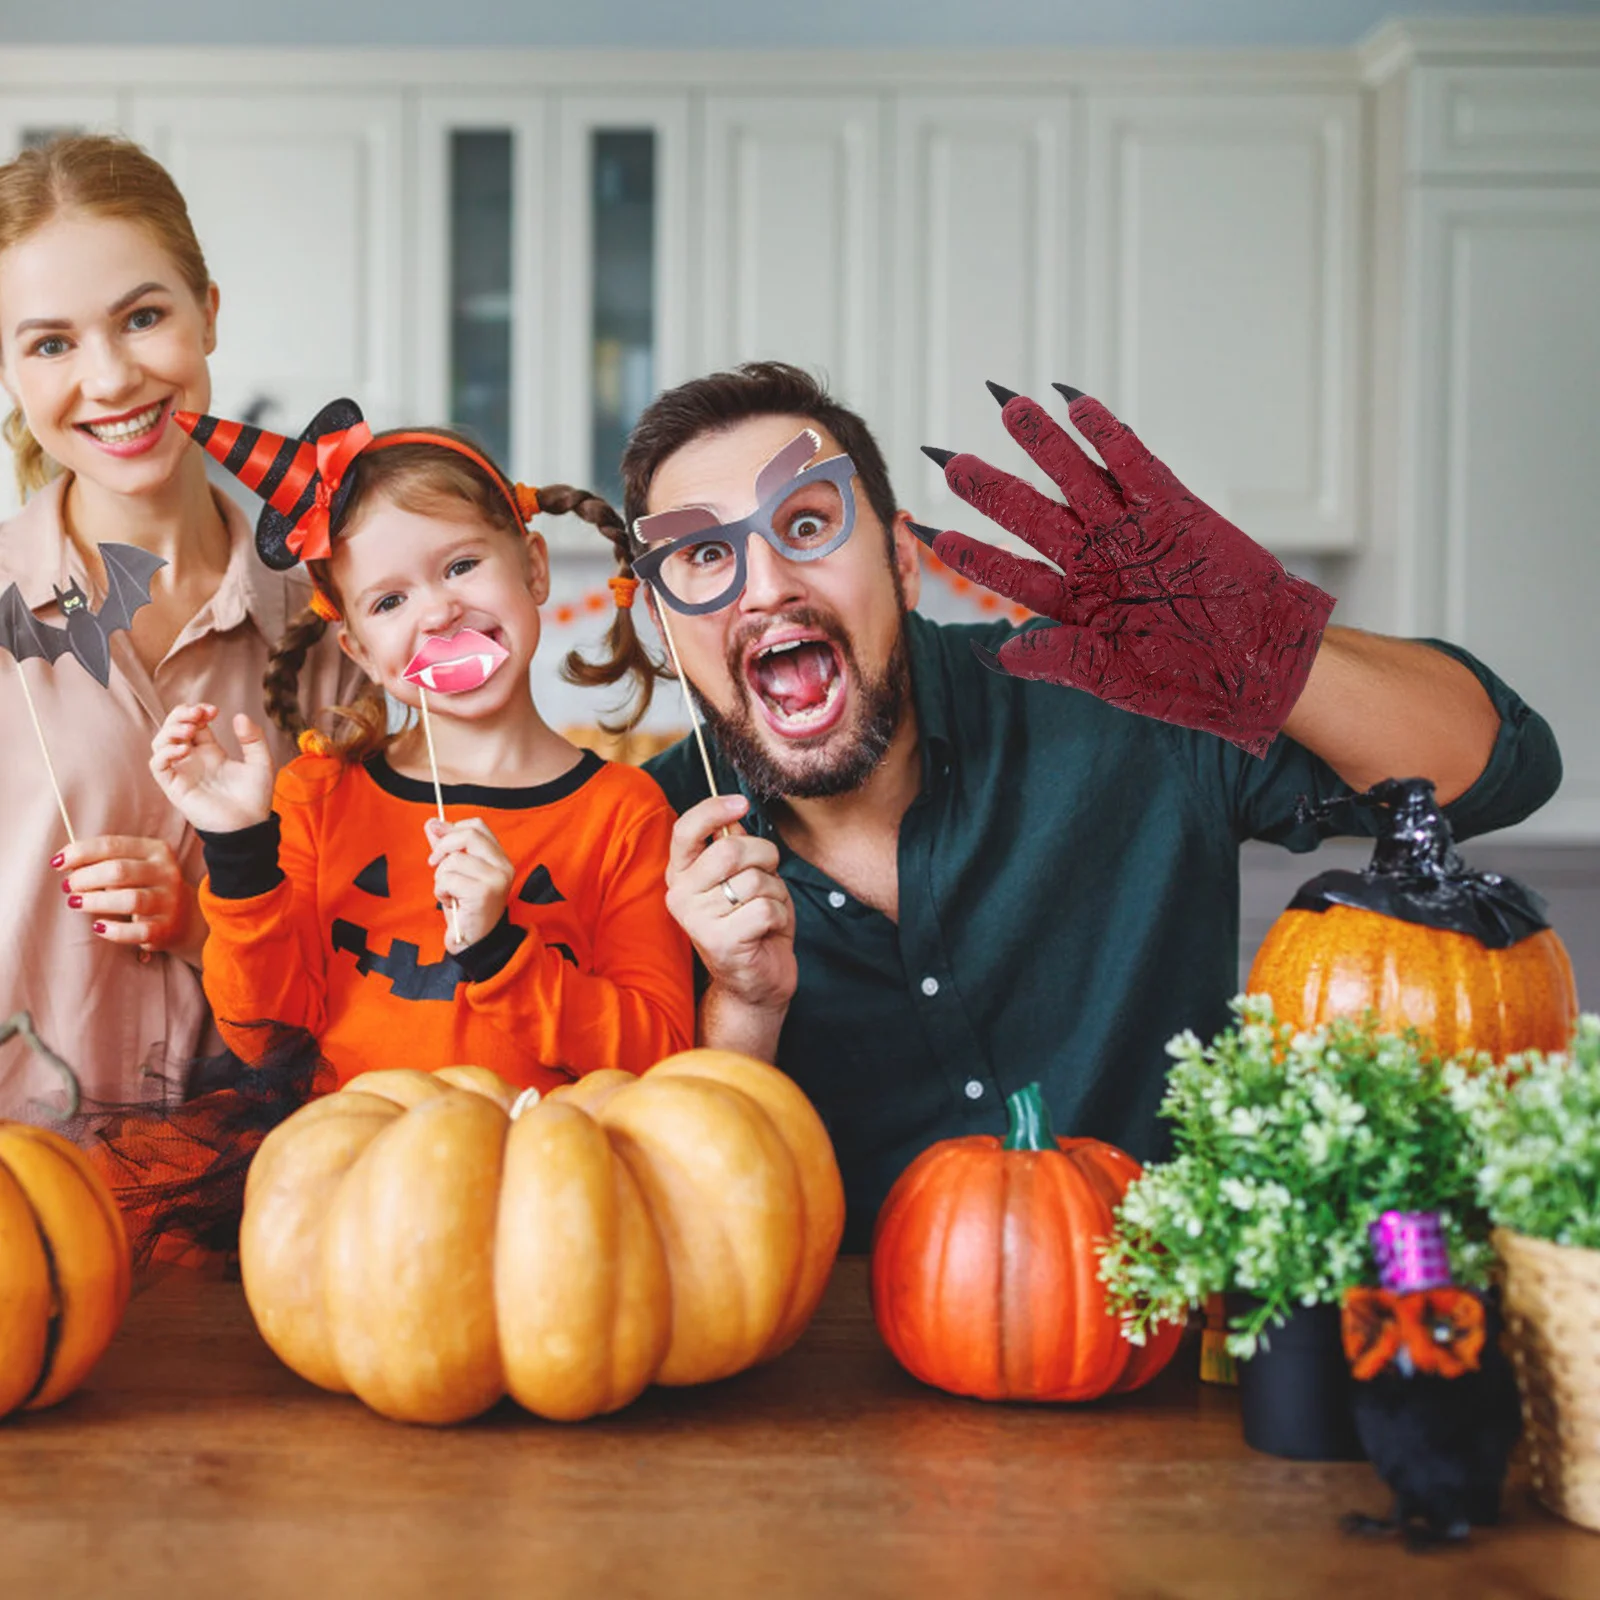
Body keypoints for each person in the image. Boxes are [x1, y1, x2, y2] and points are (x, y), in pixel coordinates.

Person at [572, 361, 1560, 1250]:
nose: (766, 586)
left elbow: (1495, 769)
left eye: (806, 524)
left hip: (1182, 1369)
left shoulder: (1115, 697)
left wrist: (1261, 646)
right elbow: (661, 1232)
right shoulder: (631, 846)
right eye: (702, 557)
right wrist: (741, 1006)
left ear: (902, 564)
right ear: (666, 628)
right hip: (828, 1409)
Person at [149, 398, 693, 1092]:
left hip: (550, 1180)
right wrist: (236, 852)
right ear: (361, 652)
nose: (438, 612)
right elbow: (267, 1037)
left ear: (533, 568)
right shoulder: (318, 796)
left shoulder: (625, 813)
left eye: (461, 565)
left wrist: (501, 952)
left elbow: (660, 1059)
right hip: (356, 1171)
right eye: (388, 602)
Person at [0, 135, 363, 1108]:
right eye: (51, 342)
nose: (112, 378)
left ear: (206, 314)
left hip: (259, 1204)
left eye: (143, 317)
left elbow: (384, 953)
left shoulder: (342, 621)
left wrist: (213, 920)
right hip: (21, 1196)